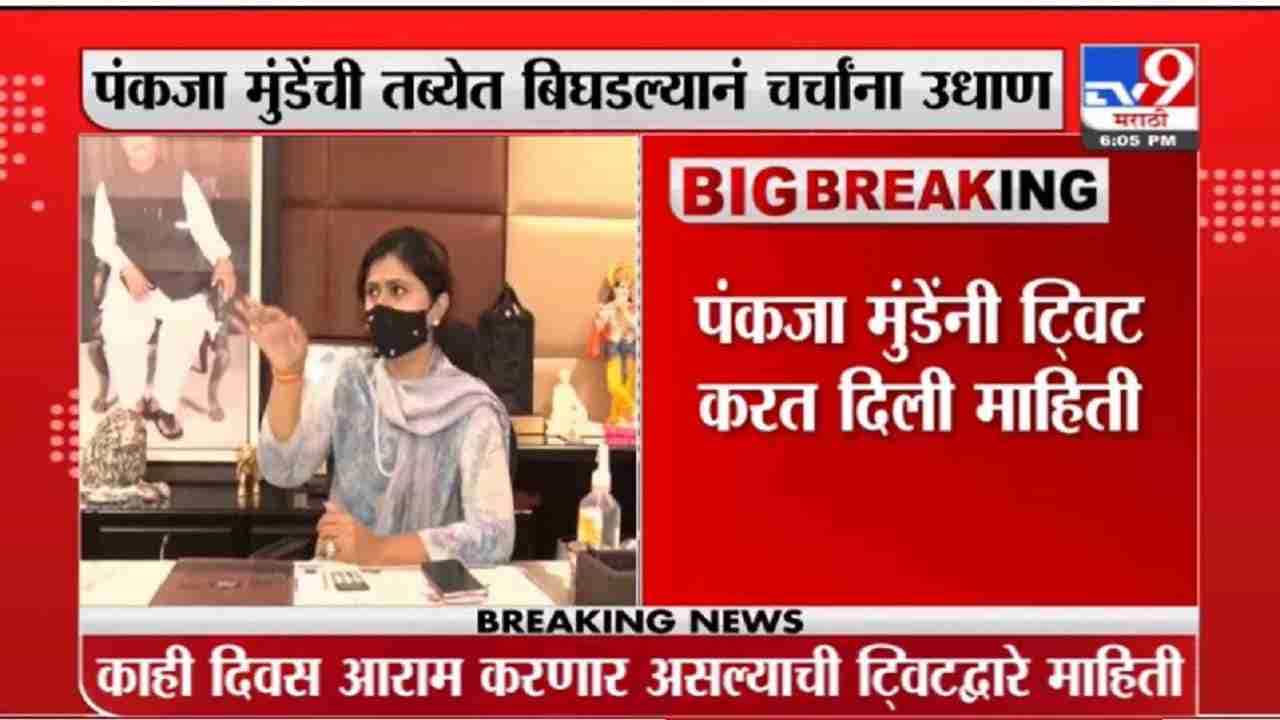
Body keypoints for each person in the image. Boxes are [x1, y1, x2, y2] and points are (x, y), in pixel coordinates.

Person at [243, 226, 515, 567]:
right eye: (373, 292)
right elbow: (283, 471)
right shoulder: (350, 382)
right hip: (345, 583)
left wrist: (382, 550)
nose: (381, 304)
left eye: (398, 290)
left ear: (437, 307)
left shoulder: (470, 408)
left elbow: (495, 536)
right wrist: (288, 375)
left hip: (431, 590)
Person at [91, 136, 237, 439]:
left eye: (145, 136)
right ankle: (132, 407)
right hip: (131, 273)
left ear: (156, 141)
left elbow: (204, 226)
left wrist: (222, 258)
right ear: (122, 144)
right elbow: (102, 240)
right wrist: (126, 268)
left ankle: (164, 404)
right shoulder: (108, 185)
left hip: (176, 272)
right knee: (120, 327)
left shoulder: (181, 179)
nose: (138, 143)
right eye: (130, 138)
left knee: (188, 322)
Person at [587, 261, 638, 428]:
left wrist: (624, 310)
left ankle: (618, 417)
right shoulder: (607, 308)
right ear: (613, 289)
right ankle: (633, 408)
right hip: (613, 346)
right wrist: (602, 318)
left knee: (629, 383)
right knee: (614, 384)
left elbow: (638, 328)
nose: (623, 291)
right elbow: (600, 326)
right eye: (620, 287)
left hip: (630, 347)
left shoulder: (634, 308)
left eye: (627, 287)